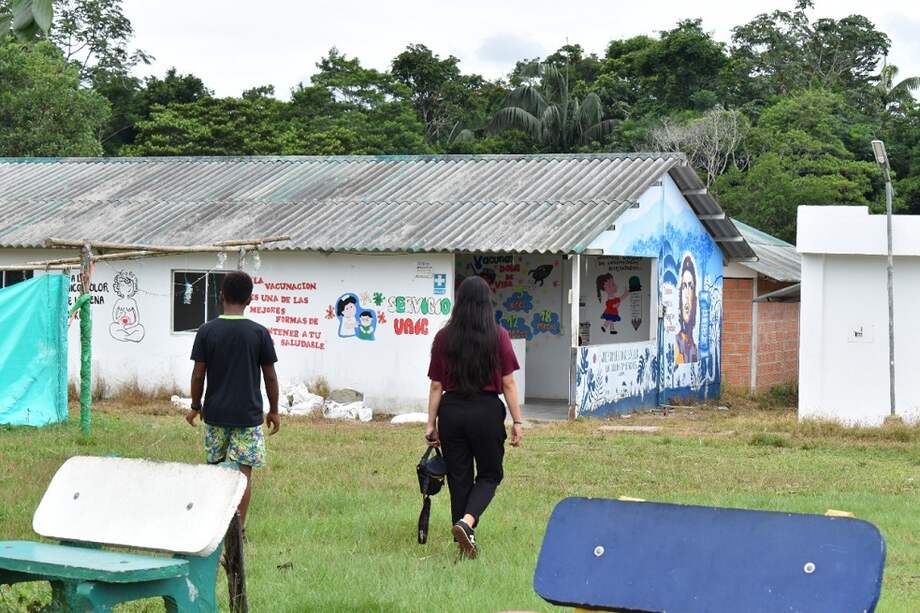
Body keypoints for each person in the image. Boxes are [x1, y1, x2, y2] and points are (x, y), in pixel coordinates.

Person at [425, 276, 523, 559]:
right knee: (490, 474)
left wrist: (431, 424)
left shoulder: (443, 337)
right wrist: (517, 421)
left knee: (459, 477)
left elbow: (436, 385)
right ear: (486, 303)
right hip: (486, 412)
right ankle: (467, 523)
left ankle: (463, 541)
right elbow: (508, 383)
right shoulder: (498, 335)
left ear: (459, 302)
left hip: (451, 412)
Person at [185, 271, 280, 539]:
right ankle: (238, 531)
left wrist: (195, 405)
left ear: (221, 296)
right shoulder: (259, 333)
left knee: (215, 471)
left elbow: (198, 374)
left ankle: (213, 527)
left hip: (215, 414)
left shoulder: (207, 331)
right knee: (243, 474)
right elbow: (270, 377)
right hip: (248, 417)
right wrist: (274, 410)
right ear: (250, 299)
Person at [675, 256, 699, 364]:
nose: (687, 294)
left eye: (691, 287)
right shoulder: (676, 344)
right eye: (684, 286)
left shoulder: (695, 347)